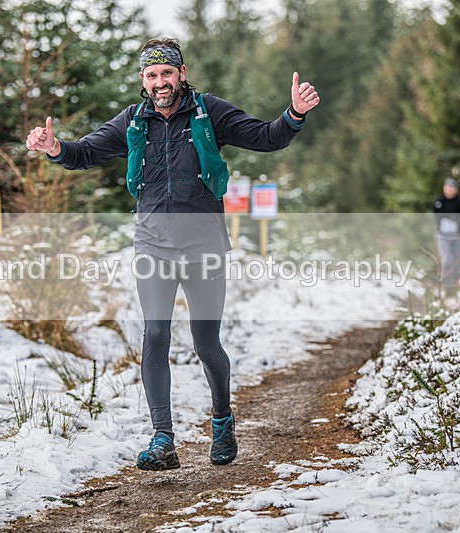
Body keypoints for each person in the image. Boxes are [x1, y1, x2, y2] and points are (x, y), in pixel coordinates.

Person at [26, 37, 319, 471]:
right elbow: (85, 152)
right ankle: (163, 437)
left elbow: (266, 137)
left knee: (205, 343)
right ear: (143, 80)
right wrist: (54, 148)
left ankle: (222, 418)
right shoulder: (133, 120)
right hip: (153, 245)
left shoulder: (208, 111)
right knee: (156, 336)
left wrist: (294, 114)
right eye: (151, 74)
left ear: (181, 73)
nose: (160, 81)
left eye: (167, 72)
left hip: (204, 245)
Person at [433, 177, 460, 296]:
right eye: (447, 187)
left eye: (452, 187)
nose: (449, 190)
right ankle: (446, 288)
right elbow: (435, 218)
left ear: (456, 189)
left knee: (459, 261)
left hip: (458, 237)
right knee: (446, 261)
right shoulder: (439, 202)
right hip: (443, 237)